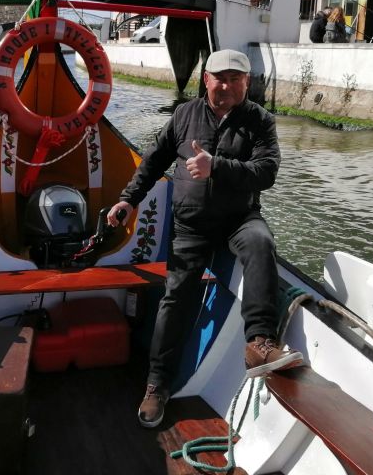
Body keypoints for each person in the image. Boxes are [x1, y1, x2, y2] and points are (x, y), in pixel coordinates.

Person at [107, 49, 303, 429]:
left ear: (247, 83)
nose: (226, 85)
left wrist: (217, 166)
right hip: (191, 226)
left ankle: (258, 344)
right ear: (206, 80)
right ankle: (156, 385)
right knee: (175, 299)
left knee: (261, 242)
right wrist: (128, 200)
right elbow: (154, 161)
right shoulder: (184, 115)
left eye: (235, 78)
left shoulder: (260, 121)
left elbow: (267, 172)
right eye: (219, 78)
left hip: (238, 219)